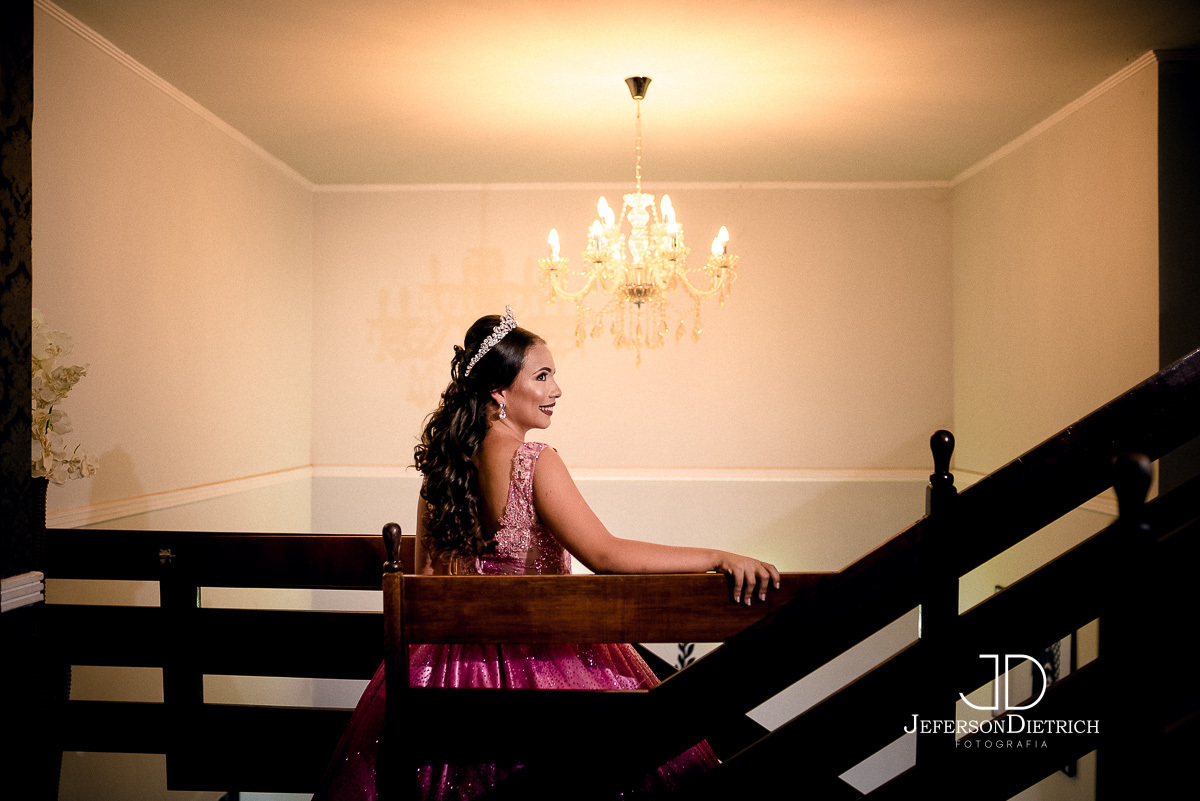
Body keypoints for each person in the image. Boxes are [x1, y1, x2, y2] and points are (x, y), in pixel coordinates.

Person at [313, 307, 780, 800]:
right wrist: (716, 556)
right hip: (542, 661)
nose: (557, 389)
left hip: (445, 673)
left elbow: (424, 579)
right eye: (542, 375)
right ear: (500, 392)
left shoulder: (441, 470)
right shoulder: (534, 461)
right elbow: (607, 554)